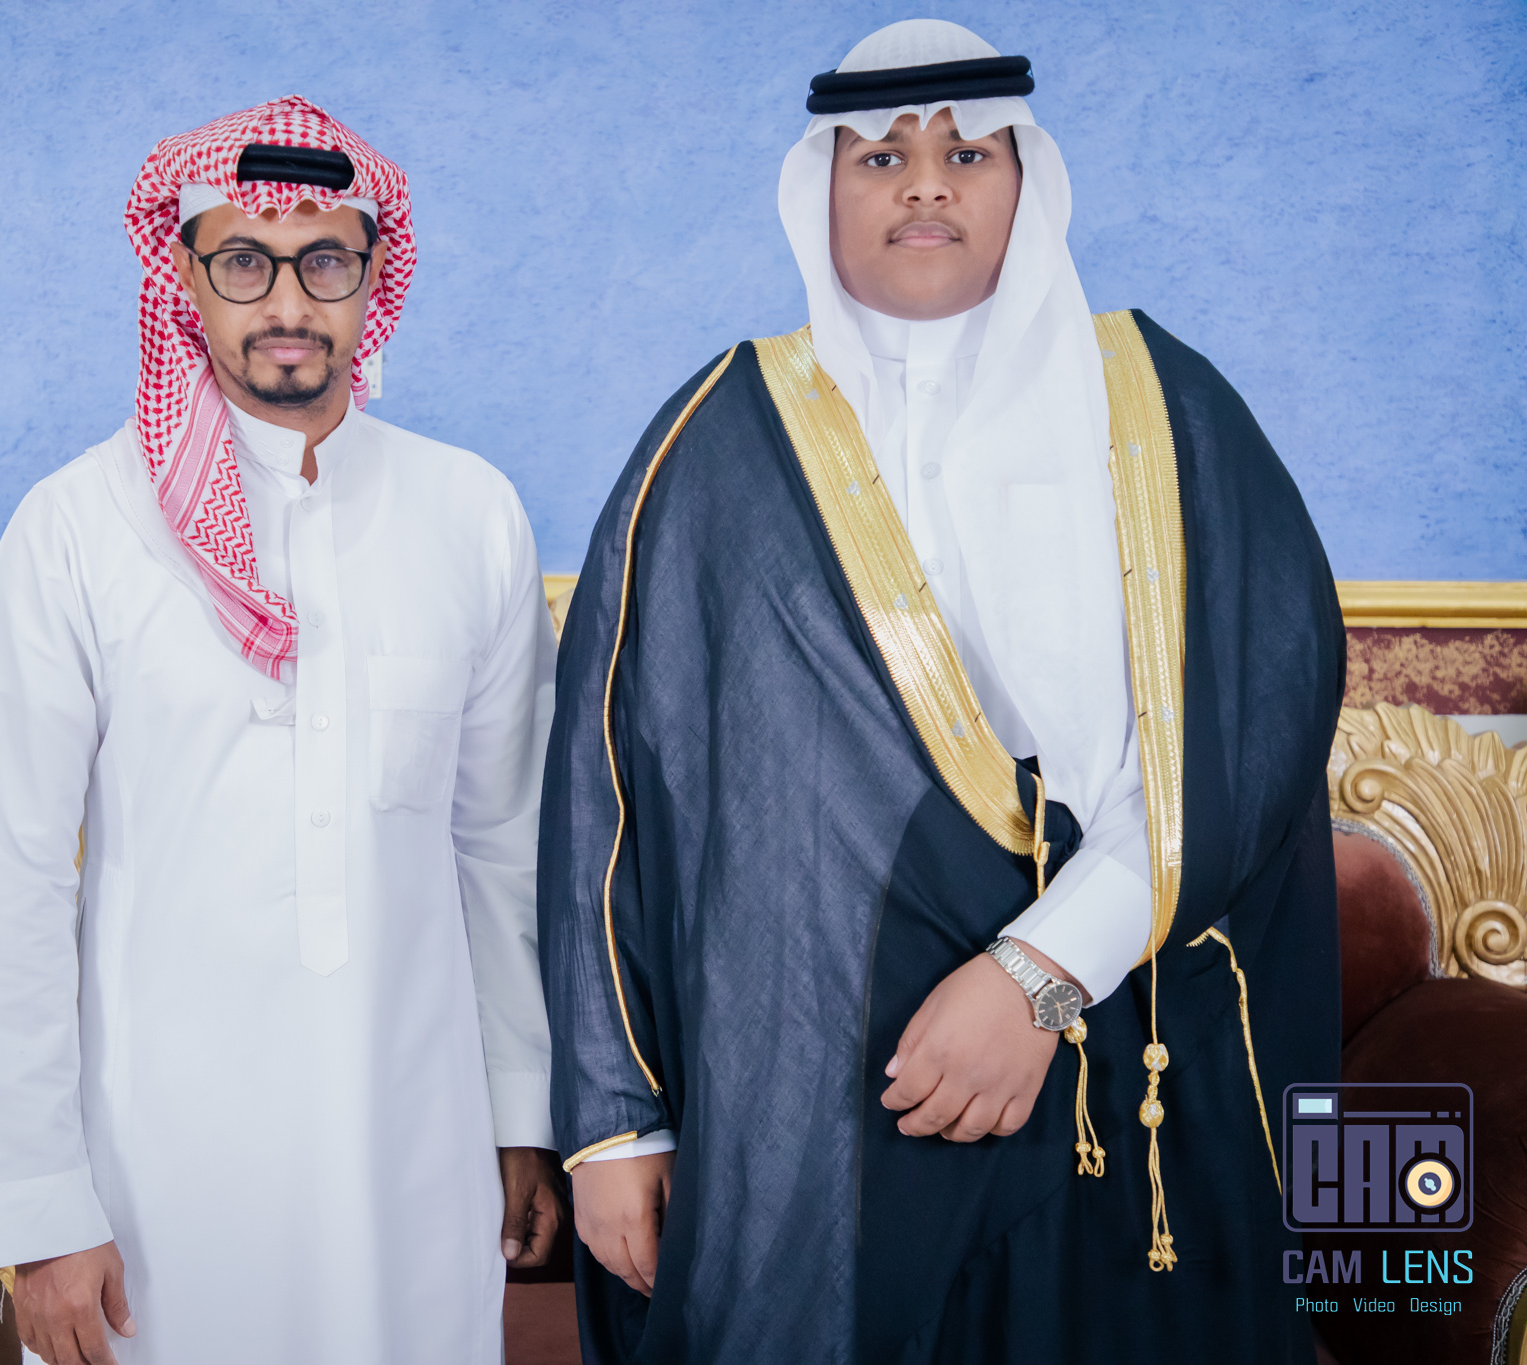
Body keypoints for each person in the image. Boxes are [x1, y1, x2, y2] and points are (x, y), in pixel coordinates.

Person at [540, 20, 1342, 1363]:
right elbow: (608, 794)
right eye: (879, 156)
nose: (924, 183)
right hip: (816, 1096)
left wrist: (1038, 977)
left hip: (1123, 1050)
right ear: (821, 189)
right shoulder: (719, 437)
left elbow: (1249, 730)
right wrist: (616, 1126)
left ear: (1027, 180)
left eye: (967, 153)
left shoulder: (1162, 407)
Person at [0, 96, 563, 1365]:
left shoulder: (470, 514)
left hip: (414, 1148)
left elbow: (504, 845)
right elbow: (14, 884)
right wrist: (39, 1207)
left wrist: (520, 1116)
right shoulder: (75, 527)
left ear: (373, 277)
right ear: (183, 276)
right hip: (155, 1171)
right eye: (244, 260)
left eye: (323, 261)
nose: (286, 302)